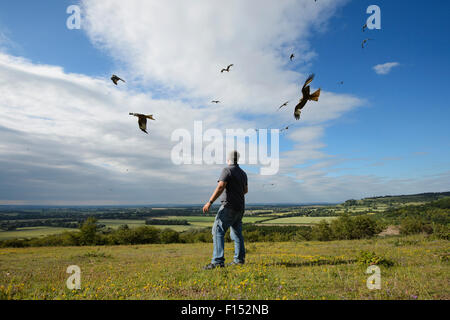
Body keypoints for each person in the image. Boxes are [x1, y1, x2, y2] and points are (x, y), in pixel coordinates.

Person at [202, 150, 248, 269]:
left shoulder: (227, 170)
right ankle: (239, 260)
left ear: (228, 159)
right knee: (237, 234)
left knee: (217, 231)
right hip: (240, 207)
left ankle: (217, 261)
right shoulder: (243, 173)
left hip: (228, 206)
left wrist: (210, 202)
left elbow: (221, 186)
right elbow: (245, 191)